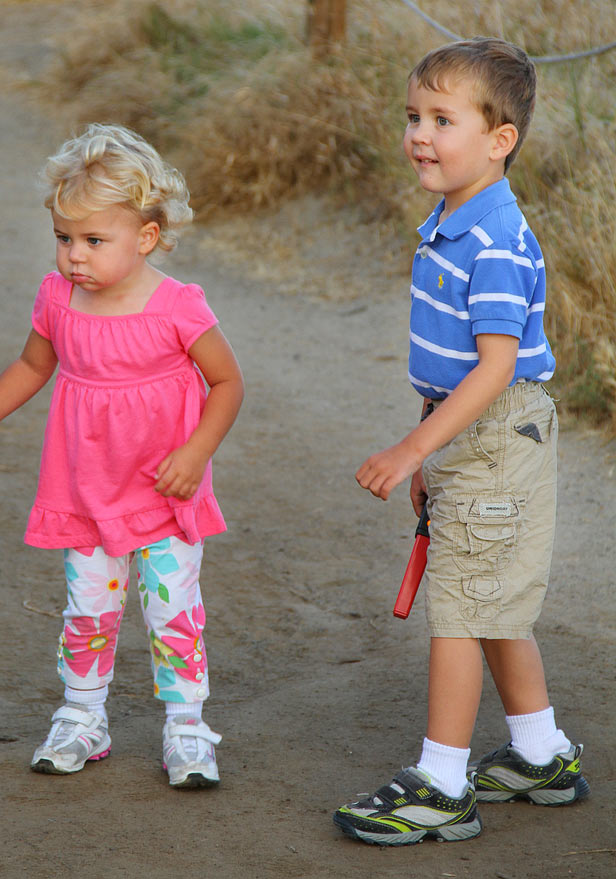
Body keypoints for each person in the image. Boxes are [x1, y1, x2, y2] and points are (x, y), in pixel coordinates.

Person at [333, 38, 589, 846]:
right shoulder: (448, 220)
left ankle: (442, 784)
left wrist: (414, 451)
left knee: (459, 607)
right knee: (492, 598)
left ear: (499, 139)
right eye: (414, 116)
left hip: (498, 432)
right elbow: (447, 374)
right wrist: (428, 448)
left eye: (442, 119)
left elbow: (493, 368)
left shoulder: (497, 241)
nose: (419, 133)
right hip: (467, 437)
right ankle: (540, 751)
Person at [0, 123, 244, 789]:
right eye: (64, 238)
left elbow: (228, 382)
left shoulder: (178, 308)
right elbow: (32, 364)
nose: (74, 256)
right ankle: (83, 714)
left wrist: (197, 451)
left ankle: (187, 725)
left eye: (93, 240)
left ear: (146, 237)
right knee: (88, 607)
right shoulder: (58, 299)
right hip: (86, 490)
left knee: (171, 609)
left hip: (165, 491)